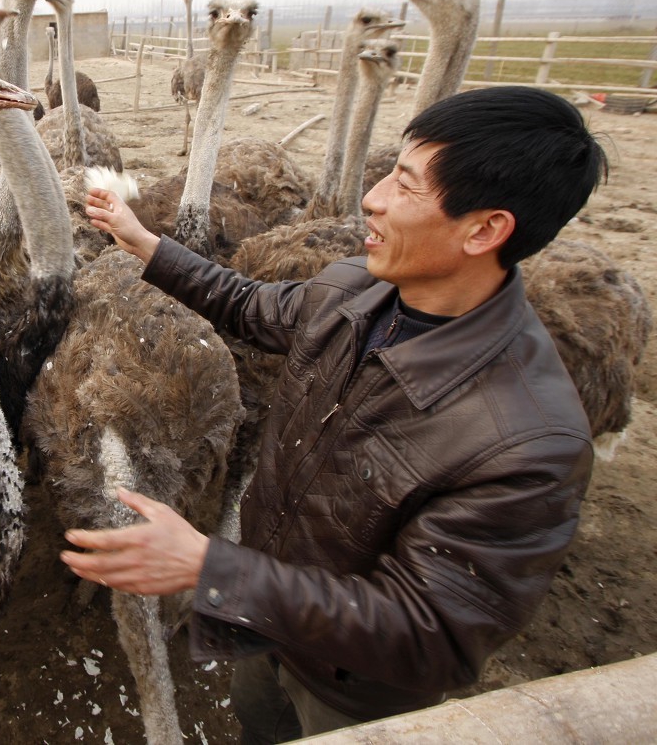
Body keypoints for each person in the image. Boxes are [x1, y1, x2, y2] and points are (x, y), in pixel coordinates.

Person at [60, 86, 605, 742]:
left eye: (404, 185)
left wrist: (213, 569)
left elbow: (433, 634)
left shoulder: (526, 441)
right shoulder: (360, 288)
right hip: (265, 620)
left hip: (352, 689)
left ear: (485, 229)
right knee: (257, 721)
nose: (372, 197)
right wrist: (142, 242)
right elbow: (251, 307)